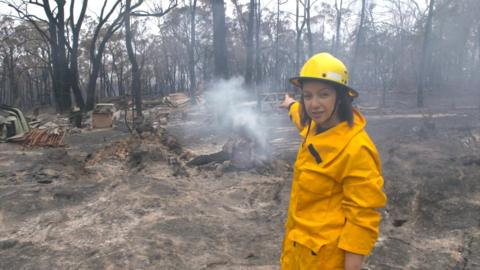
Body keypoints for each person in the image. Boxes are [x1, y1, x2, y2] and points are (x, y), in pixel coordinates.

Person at [279, 52, 387, 270]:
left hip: (325, 260)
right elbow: (300, 116)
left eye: (324, 94)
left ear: (341, 96)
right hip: (295, 252)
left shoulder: (356, 148)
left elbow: (362, 218)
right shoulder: (314, 127)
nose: (314, 104)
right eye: (307, 96)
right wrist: (290, 104)